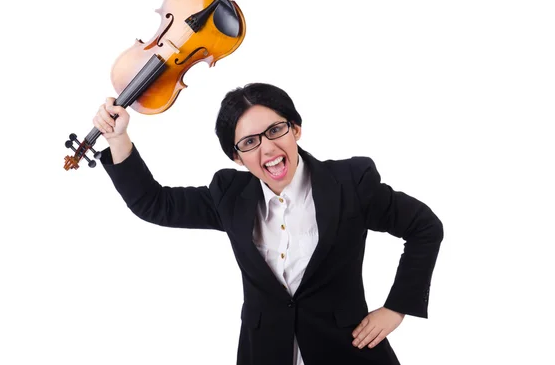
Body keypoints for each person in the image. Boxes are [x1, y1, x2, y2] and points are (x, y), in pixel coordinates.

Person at [93, 82, 443, 365]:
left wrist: (397, 308)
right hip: (264, 353)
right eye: (249, 142)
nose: (269, 149)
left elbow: (424, 226)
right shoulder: (229, 195)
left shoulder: (350, 183)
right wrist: (118, 138)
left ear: (296, 129)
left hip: (348, 352)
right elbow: (154, 204)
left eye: (276, 130)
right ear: (237, 157)